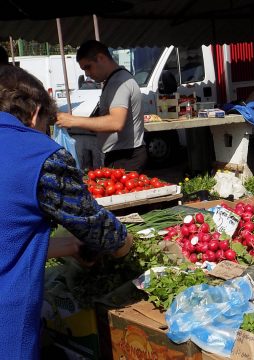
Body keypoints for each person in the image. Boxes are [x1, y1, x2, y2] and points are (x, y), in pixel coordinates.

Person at [0, 65, 133, 358]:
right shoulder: (38, 152)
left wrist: (69, 245)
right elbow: (97, 228)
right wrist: (126, 247)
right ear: (35, 113)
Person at [56, 40, 147, 172]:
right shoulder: (114, 80)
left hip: (126, 157)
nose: (87, 74)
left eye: (88, 67)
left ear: (101, 58)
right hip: (121, 154)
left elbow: (116, 122)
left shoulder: (119, 82)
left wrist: (72, 120)